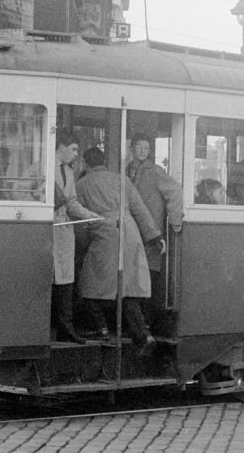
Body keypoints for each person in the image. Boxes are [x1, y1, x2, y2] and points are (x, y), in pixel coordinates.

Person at [76, 147, 165, 355]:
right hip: (130, 232)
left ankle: (100, 327)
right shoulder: (123, 180)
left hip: (104, 232)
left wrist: (82, 245)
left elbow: (80, 222)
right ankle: (142, 335)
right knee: (128, 288)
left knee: (89, 284)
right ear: (104, 162)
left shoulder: (81, 184)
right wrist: (154, 236)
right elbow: (140, 209)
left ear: (86, 163)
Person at [125, 134, 183, 331]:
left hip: (151, 230)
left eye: (147, 148)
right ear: (131, 148)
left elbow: (175, 191)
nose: (143, 152)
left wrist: (175, 220)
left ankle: (147, 319)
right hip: (133, 228)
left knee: (149, 272)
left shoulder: (155, 171)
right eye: (139, 147)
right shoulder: (125, 170)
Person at [52, 130, 99, 344]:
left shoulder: (69, 172)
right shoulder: (42, 167)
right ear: (61, 146)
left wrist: (91, 216)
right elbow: (19, 190)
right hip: (47, 228)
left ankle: (66, 328)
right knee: (50, 278)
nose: (75, 155)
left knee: (65, 279)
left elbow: (71, 202)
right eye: (73, 149)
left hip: (63, 231)